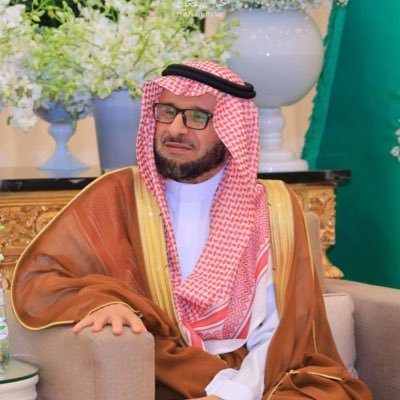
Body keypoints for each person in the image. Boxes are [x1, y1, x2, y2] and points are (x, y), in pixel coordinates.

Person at [11, 61, 372, 400]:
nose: (175, 129)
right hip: (167, 372)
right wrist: (102, 301)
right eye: (167, 112)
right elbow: (41, 274)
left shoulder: (272, 208)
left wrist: (235, 392)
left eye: (197, 117)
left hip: (263, 373)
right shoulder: (117, 195)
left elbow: (281, 329)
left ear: (231, 129)